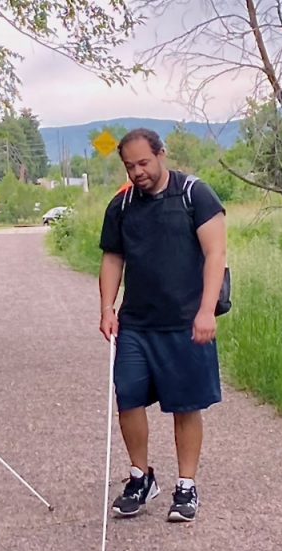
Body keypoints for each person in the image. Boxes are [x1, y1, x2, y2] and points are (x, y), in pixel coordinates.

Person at [99, 128, 227, 523]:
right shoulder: (121, 205)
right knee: (128, 397)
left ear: (161, 155)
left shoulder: (195, 195)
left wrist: (206, 311)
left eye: (143, 163)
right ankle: (141, 477)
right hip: (137, 322)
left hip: (185, 322)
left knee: (185, 405)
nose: (137, 172)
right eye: (129, 165)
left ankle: (186, 486)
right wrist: (107, 307)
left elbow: (215, 253)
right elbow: (112, 258)